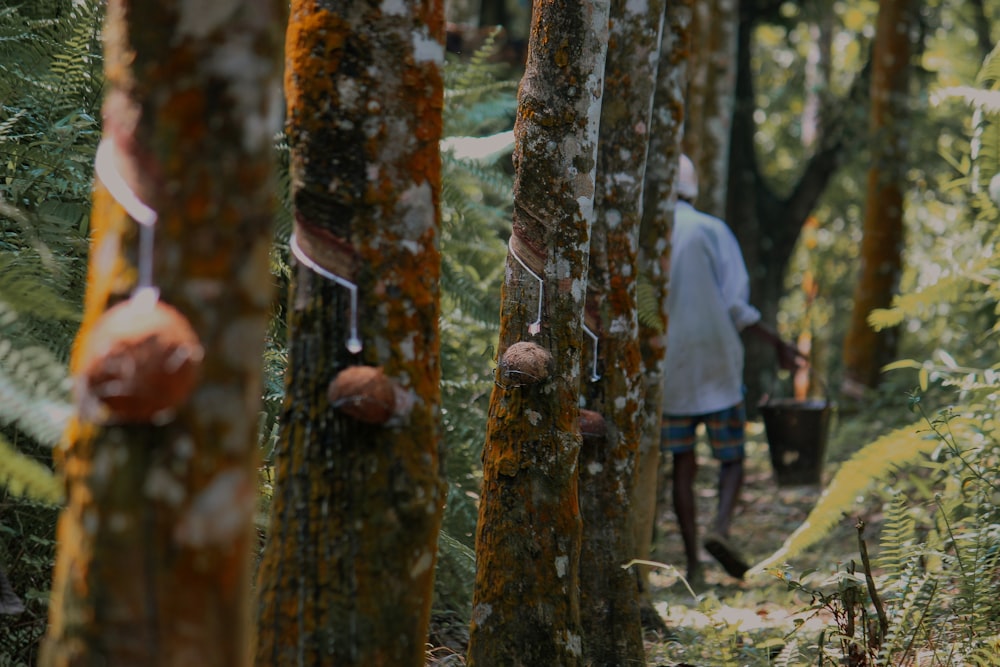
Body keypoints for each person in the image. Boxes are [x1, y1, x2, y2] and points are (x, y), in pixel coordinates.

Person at [662, 154, 801, 586]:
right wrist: (779, 344)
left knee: (682, 463)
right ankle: (719, 527)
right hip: (718, 359)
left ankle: (692, 565)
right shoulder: (711, 229)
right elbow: (737, 308)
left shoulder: (650, 234)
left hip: (669, 364)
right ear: (693, 186)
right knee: (732, 458)